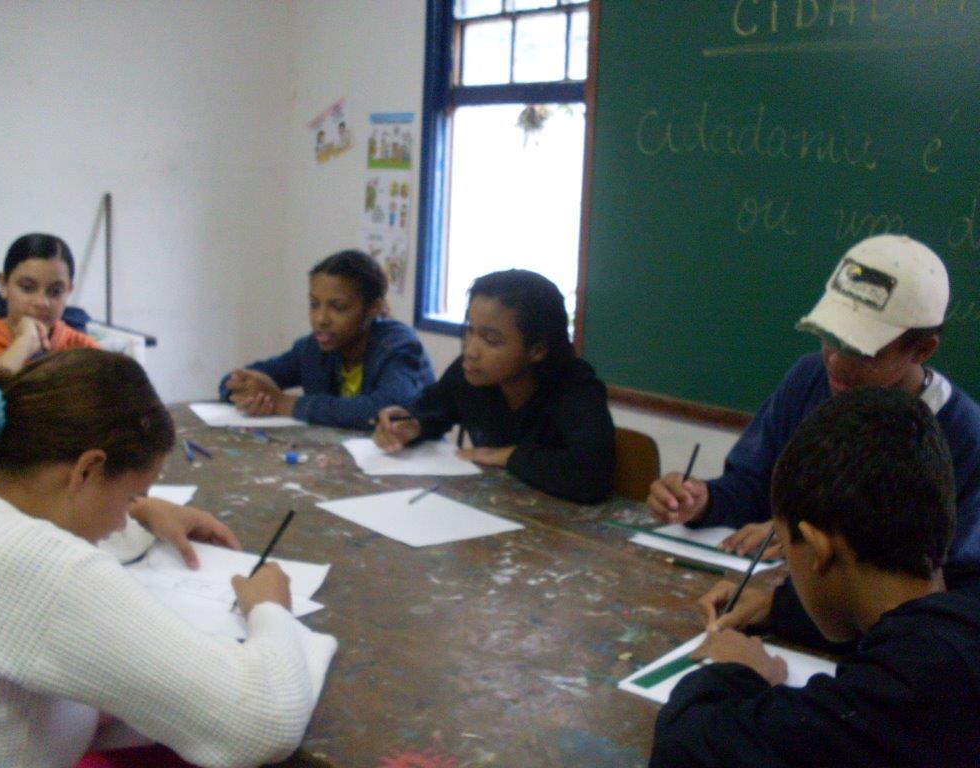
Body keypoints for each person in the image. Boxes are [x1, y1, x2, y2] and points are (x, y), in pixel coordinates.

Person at [0, 349, 336, 768]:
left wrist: (142, 511)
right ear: (87, 469)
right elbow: (263, 723)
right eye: (129, 497)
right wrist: (270, 609)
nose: (122, 522)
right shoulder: (40, 564)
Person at [650, 387, 980, 768]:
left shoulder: (900, 698)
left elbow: (683, 746)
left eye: (787, 549)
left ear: (817, 549)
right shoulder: (957, 607)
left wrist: (736, 672)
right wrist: (778, 606)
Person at [647, 235, 980, 583]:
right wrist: (704, 501)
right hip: (777, 591)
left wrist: (802, 539)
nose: (836, 362)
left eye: (861, 351)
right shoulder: (809, 379)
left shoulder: (964, 438)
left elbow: (959, 583)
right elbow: (753, 486)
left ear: (922, 350)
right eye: (830, 337)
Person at [372, 269, 614, 504]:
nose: (471, 351)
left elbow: (591, 475)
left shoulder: (575, 387)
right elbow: (434, 407)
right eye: (470, 331)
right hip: (493, 506)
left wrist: (508, 455)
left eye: (491, 340)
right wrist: (410, 424)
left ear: (536, 350)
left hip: (555, 520)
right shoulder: (471, 373)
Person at [220, 249, 434, 430]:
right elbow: (237, 378)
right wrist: (246, 392)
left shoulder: (399, 346)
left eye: (338, 307)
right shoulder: (312, 348)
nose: (320, 319)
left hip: (409, 463)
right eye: (314, 305)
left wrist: (284, 403)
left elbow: (385, 410)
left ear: (373, 308)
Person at [0, 233, 99, 376]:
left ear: (68, 291)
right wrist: (21, 347)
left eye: (55, 291)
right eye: (27, 288)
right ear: (4, 284)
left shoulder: (81, 348)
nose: (42, 302)